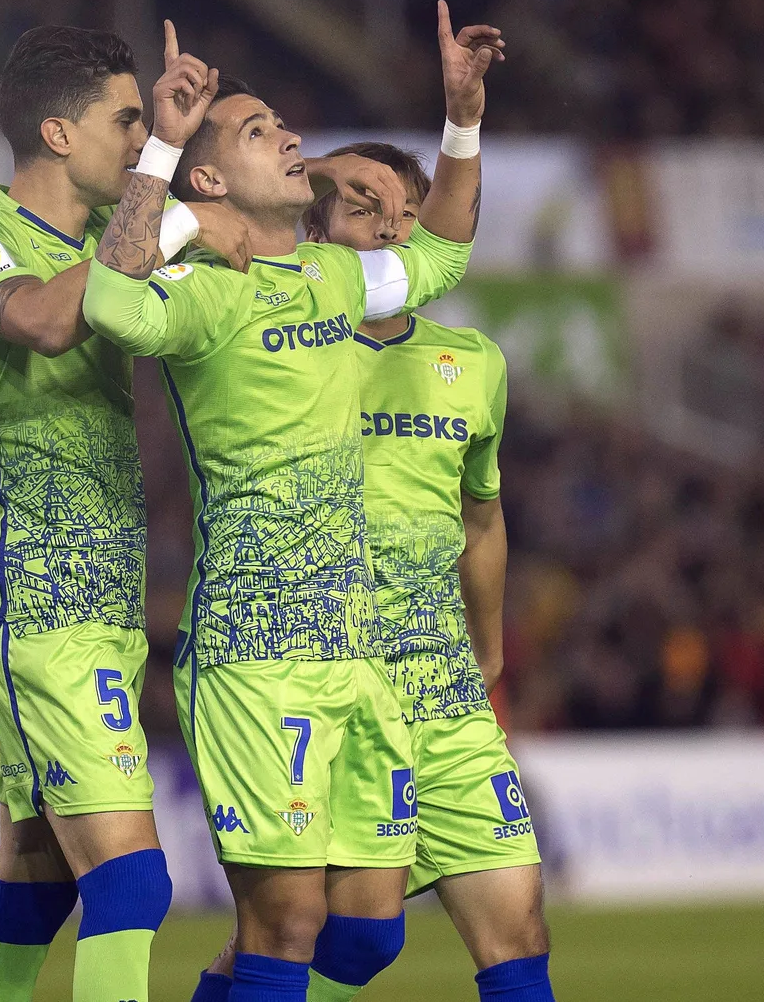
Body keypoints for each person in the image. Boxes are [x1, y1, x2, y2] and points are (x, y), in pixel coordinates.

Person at [0, 23, 406, 1002]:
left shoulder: (123, 235)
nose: (147, 141)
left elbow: (227, 206)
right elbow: (43, 319)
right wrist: (182, 217)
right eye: (128, 122)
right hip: (40, 593)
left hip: (108, 596)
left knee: (35, 880)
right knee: (133, 881)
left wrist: (324, 173)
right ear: (59, 134)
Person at [80, 4, 501, 1002]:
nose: (289, 136)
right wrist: (171, 168)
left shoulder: (332, 277)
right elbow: (108, 300)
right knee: (286, 923)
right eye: (258, 129)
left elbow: (443, 256)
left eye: (282, 123)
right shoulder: (203, 294)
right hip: (254, 652)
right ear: (214, 177)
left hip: (356, 651)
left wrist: (461, 120)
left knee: (367, 935)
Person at [192, 141, 550, 1002]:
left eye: (407, 214)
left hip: (443, 682)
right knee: (349, 940)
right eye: (364, 209)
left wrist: (488, 647)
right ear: (315, 234)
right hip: (326, 665)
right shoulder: (283, 345)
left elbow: (482, 517)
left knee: (520, 933)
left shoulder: (476, 363)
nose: (392, 227)